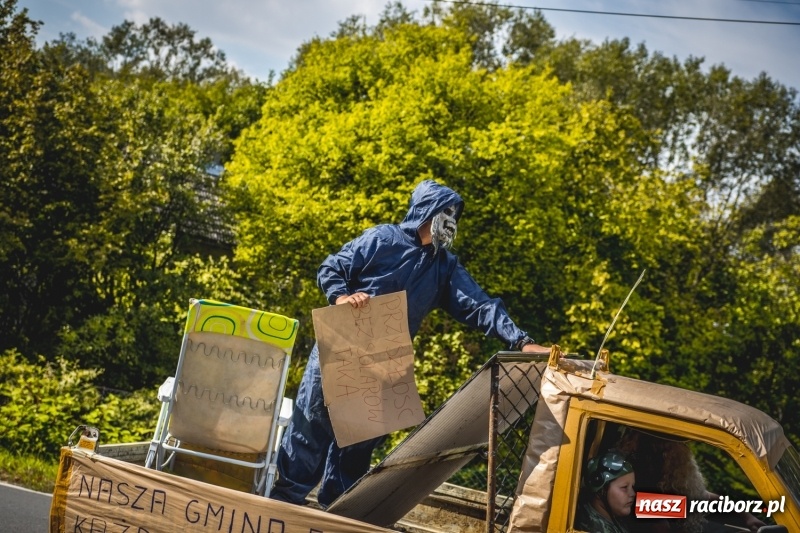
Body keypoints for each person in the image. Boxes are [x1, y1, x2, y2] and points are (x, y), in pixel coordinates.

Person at [269, 179, 548, 507]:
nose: (451, 219)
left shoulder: (444, 266)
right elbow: (332, 267)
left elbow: (480, 305)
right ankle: (281, 507)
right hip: (345, 342)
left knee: (358, 448)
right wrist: (342, 297)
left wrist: (522, 342)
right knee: (311, 429)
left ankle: (335, 516)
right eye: (446, 211)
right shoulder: (382, 238)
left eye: (455, 213)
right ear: (426, 211)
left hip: (385, 359)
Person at [575, 450, 637, 533]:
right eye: (624, 487)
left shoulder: (612, 515)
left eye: (632, 486)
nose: (632, 494)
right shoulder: (591, 528)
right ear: (601, 491)